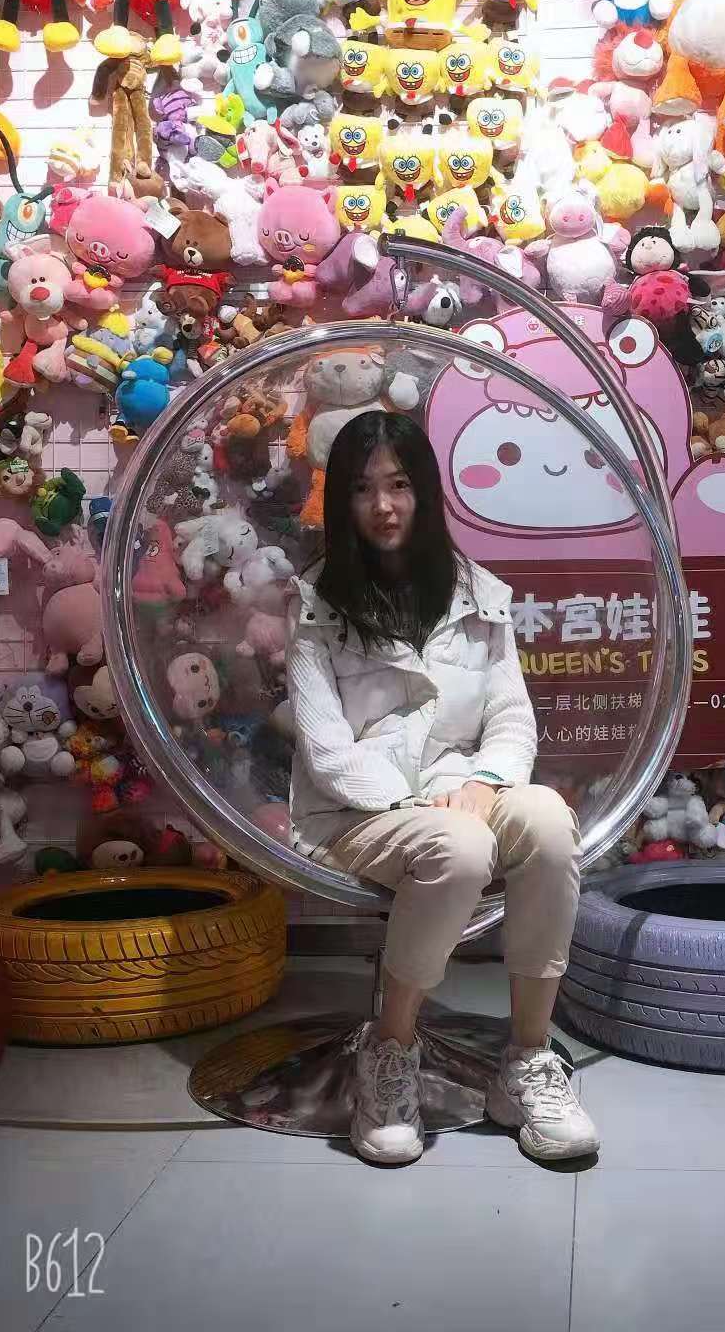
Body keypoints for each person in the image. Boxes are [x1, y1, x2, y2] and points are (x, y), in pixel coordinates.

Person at [285, 408, 599, 1165]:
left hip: (466, 795)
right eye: (363, 489)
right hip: (358, 810)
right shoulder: (316, 603)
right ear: (341, 500)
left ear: (425, 491)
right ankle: (389, 1052)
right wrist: (422, 803)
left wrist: (487, 782)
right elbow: (326, 751)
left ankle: (526, 1062)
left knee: (549, 821)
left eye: (399, 485)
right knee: (458, 844)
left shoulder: (481, 594)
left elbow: (512, 720)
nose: (383, 506)